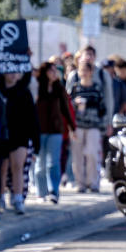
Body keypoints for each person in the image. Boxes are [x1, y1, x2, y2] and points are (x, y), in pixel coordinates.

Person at [0, 70, 39, 215]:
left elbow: (32, 117)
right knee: (2, 167)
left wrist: (35, 141)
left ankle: (18, 198)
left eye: (16, 72)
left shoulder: (24, 92)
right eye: (9, 72)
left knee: (18, 167)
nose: (13, 75)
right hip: (2, 134)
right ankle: (0, 197)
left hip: (20, 135)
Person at [34, 61, 74, 204]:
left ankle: (54, 191)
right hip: (39, 130)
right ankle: (41, 192)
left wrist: (72, 127)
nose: (54, 73)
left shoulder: (59, 88)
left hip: (55, 130)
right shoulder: (37, 87)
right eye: (51, 70)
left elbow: (65, 108)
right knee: (40, 163)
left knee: (53, 162)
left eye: (55, 71)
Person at [66, 55, 106, 193]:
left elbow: (102, 108)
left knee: (92, 154)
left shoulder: (96, 89)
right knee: (77, 156)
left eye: (86, 70)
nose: (83, 73)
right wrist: (75, 104)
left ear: (91, 72)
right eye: (81, 70)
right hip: (78, 125)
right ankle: (80, 183)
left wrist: (103, 125)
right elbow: (68, 106)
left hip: (93, 125)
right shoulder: (75, 88)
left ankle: (93, 182)